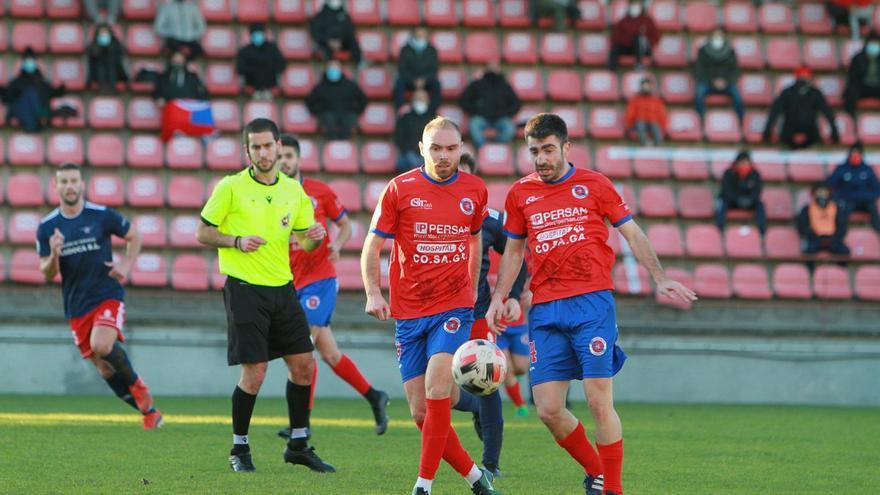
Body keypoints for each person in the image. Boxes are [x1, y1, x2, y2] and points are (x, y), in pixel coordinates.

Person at [486, 113, 697, 495]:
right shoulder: (520, 193)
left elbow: (631, 233)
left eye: (548, 150)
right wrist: (501, 297)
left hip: (591, 304)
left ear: (566, 148)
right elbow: (513, 251)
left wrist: (660, 277)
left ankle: (611, 489)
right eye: (534, 151)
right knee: (548, 408)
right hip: (546, 309)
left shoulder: (595, 184)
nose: (541, 159)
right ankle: (597, 470)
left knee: (599, 400)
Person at [360, 117, 500, 495]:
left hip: (452, 306)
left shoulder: (475, 189)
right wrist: (373, 291)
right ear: (422, 148)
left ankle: (423, 486)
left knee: (438, 389)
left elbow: (475, 240)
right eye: (435, 148)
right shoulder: (399, 189)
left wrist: (471, 288)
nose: (443, 156)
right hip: (408, 310)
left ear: (460, 149)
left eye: (451, 148)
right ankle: (476, 477)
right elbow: (372, 246)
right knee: (423, 412)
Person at [196, 119, 335, 474]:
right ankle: (239, 448)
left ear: (278, 147)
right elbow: (203, 231)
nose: (262, 152)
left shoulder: (293, 191)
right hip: (244, 288)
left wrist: (315, 237)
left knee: (304, 365)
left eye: (267, 146)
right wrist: (236, 241)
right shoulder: (230, 187)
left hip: (283, 288)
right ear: (247, 151)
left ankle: (299, 445)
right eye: (255, 147)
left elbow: (304, 241)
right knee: (255, 372)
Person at [273, 134, 390, 439]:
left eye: (289, 155)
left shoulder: (319, 191)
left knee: (299, 347)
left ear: (298, 159)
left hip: (320, 280)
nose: (284, 161)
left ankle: (303, 425)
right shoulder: (273, 195)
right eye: (280, 156)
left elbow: (347, 224)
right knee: (330, 355)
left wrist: (337, 245)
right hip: (291, 282)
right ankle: (374, 396)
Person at [36, 163, 162, 430]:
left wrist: (127, 265)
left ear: (82, 184)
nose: (69, 186)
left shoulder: (101, 215)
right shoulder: (47, 227)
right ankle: (149, 413)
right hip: (76, 305)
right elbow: (47, 273)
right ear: (56, 186)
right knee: (105, 369)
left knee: (102, 345)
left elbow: (134, 235)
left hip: (107, 294)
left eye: (74, 181)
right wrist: (55, 254)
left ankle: (138, 386)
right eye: (64, 181)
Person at [458, 152, 528, 479]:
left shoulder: (489, 217)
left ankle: (491, 463)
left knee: (488, 381)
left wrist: (511, 296)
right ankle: (473, 408)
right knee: (434, 385)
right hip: (434, 310)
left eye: (465, 174)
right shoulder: (424, 209)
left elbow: (518, 256)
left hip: (478, 312)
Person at [763, 67, 839, 150]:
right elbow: (775, 112)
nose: (804, 80)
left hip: (811, 136)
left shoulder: (816, 93)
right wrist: (767, 132)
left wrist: (834, 133)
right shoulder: (787, 93)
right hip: (789, 136)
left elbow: (827, 112)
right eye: (801, 77)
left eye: (806, 77)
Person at [459, 60, 521, 150]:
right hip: (482, 118)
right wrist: (476, 111)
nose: (493, 69)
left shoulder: (505, 85)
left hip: (501, 119)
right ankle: (484, 149)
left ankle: (496, 148)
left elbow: (516, 104)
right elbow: (463, 100)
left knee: (510, 128)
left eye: (495, 66)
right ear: (485, 69)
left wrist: (505, 113)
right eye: (491, 66)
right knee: (473, 125)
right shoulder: (477, 84)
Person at [154, 50, 213, 142]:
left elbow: (203, 94)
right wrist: (159, 99)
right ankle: (176, 133)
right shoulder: (163, 77)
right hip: (172, 109)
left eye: (180, 59)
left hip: (189, 110)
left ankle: (204, 134)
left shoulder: (192, 76)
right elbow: (157, 94)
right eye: (175, 59)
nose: (177, 61)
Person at [2, 48, 65, 132]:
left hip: (38, 113)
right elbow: (8, 98)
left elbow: (52, 92)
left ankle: (39, 121)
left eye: (31, 60)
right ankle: (35, 123)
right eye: (27, 61)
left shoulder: (41, 82)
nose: (29, 63)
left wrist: (61, 89)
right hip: (24, 114)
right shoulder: (17, 82)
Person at [693, 28, 744, 128]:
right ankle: (699, 123)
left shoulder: (730, 51)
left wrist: (725, 81)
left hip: (727, 83)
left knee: (738, 98)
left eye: (719, 36)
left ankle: (740, 123)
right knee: (698, 95)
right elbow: (699, 70)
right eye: (715, 35)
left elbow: (735, 70)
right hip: (707, 82)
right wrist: (713, 81)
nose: (717, 38)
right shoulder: (703, 51)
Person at [306, 60, 367, 140]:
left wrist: (355, 109)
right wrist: (320, 111)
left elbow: (362, 99)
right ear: (326, 70)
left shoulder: (350, 85)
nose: (333, 70)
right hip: (328, 114)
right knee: (328, 119)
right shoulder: (320, 87)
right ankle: (333, 143)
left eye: (335, 68)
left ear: (340, 70)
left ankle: (344, 142)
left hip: (347, 113)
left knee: (350, 118)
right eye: (331, 68)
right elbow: (310, 102)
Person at [828, 142, 880, 236]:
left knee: (873, 209)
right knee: (842, 213)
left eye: (858, 154)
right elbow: (831, 184)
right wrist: (839, 197)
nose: (855, 156)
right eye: (853, 154)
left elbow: (876, 188)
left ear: (861, 155)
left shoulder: (867, 169)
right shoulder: (842, 169)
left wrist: (869, 197)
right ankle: (839, 238)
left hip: (864, 201)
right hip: (848, 201)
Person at [714, 150, 767, 236]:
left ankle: (762, 232)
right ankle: (719, 230)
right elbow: (727, 191)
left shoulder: (755, 174)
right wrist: (738, 199)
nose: (744, 165)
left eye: (746, 163)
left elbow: (757, 192)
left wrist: (750, 200)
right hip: (732, 201)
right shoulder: (729, 173)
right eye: (742, 162)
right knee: (721, 203)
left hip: (750, 201)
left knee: (760, 205)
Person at [797, 182, 851, 263]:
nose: (822, 195)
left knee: (844, 252)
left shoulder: (836, 208)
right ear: (814, 193)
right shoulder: (807, 209)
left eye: (824, 192)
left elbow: (842, 226)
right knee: (808, 253)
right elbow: (802, 227)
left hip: (833, 239)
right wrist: (813, 236)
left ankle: (841, 273)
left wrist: (834, 237)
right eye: (819, 192)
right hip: (814, 239)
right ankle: (810, 273)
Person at [393, 26, 441, 113]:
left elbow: (434, 69)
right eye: (418, 36)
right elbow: (402, 69)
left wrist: (424, 79)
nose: (421, 38)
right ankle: (401, 110)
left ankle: (433, 111)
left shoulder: (432, 50)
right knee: (399, 84)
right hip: (409, 80)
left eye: (423, 36)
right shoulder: (405, 50)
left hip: (426, 80)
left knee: (436, 84)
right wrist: (413, 80)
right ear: (413, 36)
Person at [236, 23, 286, 100]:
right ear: (251, 35)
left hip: (270, 86)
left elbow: (281, 65)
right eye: (255, 34)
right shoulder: (245, 51)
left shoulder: (272, 49)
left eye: (260, 33)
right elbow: (240, 69)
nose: (258, 36)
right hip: (252, 86)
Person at [608, 0, 660, 70]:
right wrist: (628, 40)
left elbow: (655, 37)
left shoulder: (647, 20)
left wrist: (645, 40)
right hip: (628, 47)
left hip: (643, 49)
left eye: (637, 4)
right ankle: (611, 69)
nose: (634, 7)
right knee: (615, 47)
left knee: (637, 38)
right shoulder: (624, 20)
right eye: (632, 4)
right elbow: (615, 37)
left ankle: (639, 64)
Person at [309, 0, 362, 66]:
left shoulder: (344, 15)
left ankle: (359, 63)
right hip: (326, 43)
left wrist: (339, 41)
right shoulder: (320, 16)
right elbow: (316, 32)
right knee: (323, 49)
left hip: (341, 43)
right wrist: (328, 40)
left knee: (353, 42)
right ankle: (330, 68)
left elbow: (350, 31)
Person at [394, 89, 435, 172]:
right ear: (412, 101)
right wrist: (408, 153)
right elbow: (399, 138)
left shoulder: (433, 119)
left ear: (428, 101)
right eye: (417, 99)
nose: (420, 101)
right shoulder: (405, 118)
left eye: (422, 99)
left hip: (428, 155)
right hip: (408, 155)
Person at [844, 33, 880, 119]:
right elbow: (852, 77)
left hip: (877, 87)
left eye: (877, 43)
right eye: (872, 43)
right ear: (867, 44)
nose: (874, 46)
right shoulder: (858, 58)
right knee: (851, 91)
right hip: (862, 87)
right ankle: (850, 119)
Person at [624, 77, 666, 146]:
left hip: (652, 121)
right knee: (640, 124)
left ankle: (658, 145)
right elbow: (630, 112)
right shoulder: (636, 99)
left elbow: (661, 113)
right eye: (644, 86)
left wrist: (663, 126)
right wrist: (628, 125)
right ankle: (644, 144)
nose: (646, 88)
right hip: (639, 122)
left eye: (647, 86)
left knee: (655, 126)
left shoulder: (656, 100)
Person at [87, 23, 128, 93]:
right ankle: (102, 88)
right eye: (101, 33)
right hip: (98, 72)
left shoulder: (115, 43)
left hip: (114, 71)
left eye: (105, 32)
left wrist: (109, 48)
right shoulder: (93, 44)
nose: (104, 35)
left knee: (111, 65)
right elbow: (92, 61)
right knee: (100, 66)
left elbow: (119, 58)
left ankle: (112, 88)